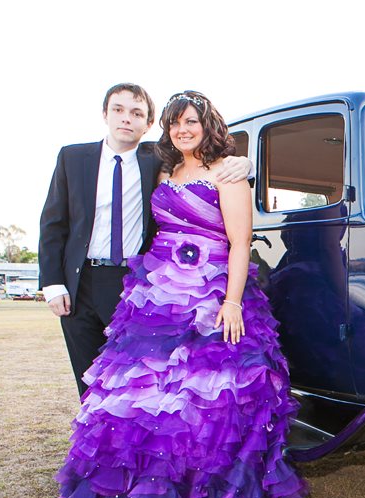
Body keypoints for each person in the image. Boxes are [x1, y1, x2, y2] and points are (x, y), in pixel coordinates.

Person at [47, 90, 308, 498]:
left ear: (208, 124)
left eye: (192, 122)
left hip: (212, 290)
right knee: (146, 392)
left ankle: (198, 493)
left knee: (212, 394)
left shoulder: (228, 173)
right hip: (158, 291)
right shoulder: (163, 167)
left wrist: (230, 302)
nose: (183, 130)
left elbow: (241, 243)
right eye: (174, 123)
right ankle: (135, 488)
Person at [39, 83, 252, 398]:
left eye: (136, 113)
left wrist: (244, 163)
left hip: (131, 281)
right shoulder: (73, 157)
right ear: (105, 114)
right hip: (79, 282)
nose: (126, 119)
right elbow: (53, 222)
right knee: (87, 374)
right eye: (119, 110)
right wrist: (52, 282)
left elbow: (211, 171)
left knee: (133, 372)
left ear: (149, 124)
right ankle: (98, 441)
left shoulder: (156, 160)